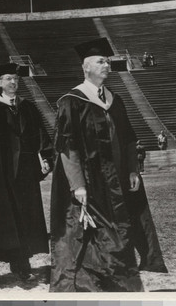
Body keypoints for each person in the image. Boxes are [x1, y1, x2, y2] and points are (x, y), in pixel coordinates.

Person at [50, 37, 167, 292]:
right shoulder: (72, 101)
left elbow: (127, 139)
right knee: (87, 234)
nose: (107, 65)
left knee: (120, 230)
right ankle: (91, 282)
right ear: (86, 67)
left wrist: (134, 169)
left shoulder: (116, 100)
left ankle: (116, 281)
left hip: (115, 180)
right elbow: (67, 148)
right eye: (101, 61)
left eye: (107, 61)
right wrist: (77, 185)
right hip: (88, 181)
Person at [0, 63, 53, 282]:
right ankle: (18, 262)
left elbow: (41, 133)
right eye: (8, 78)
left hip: (27, 170)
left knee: (27, 215)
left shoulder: (27, 106)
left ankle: (24, 259)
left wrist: (46, 157)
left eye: (15, 79)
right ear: (0, 82)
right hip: (3, 171)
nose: (13, 82)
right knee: (9, 217)